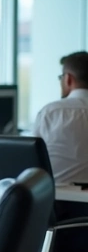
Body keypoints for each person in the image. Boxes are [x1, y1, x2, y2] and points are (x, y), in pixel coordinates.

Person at [32, 50, 88, 186]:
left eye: (61, 77)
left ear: (68, 78)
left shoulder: (50, 112)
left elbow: (33, 161)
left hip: (57, 196)